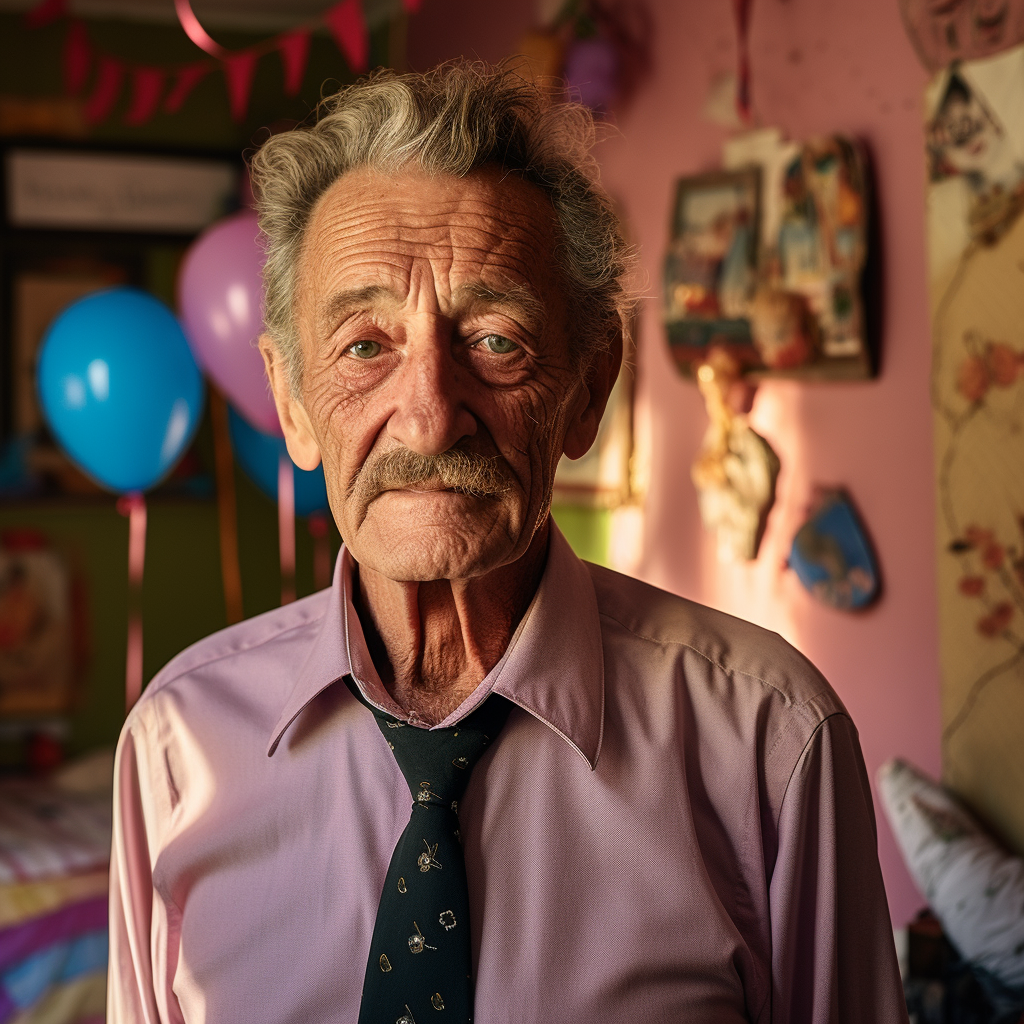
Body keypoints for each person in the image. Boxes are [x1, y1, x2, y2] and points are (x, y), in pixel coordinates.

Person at [108, 63, 908, 1024]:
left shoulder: (769, 743)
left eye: (494, 340)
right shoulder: (175, 747)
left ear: (590, 384)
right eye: (366, 345)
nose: (432, 418)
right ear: (289, 398)